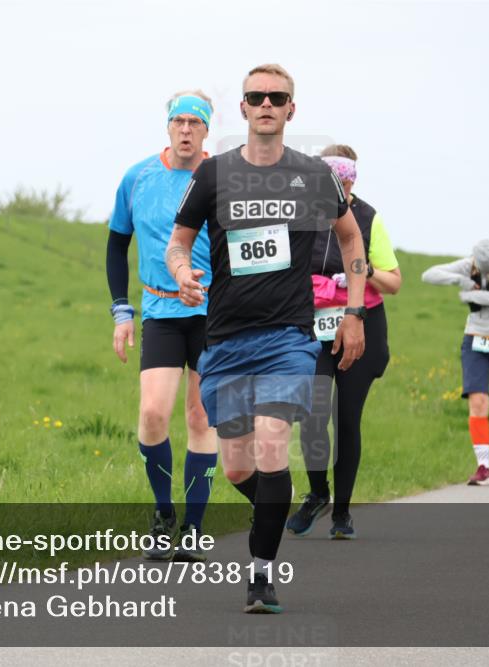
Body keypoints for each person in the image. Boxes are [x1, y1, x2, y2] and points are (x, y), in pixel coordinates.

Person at [166, 64, 367, 613]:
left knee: (274, 443)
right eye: (256, 96)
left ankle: (260, 576)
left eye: (277, 97)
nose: (266, 104)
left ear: (290, 110)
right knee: (237, 465)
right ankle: (274, 508)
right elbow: (178, 244)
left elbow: (350, 238)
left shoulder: (311, 174)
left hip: (287, 338)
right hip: (227, 340)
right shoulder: (214, 175)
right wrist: (183, 273)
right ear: (244, 108)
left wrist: (355, 311)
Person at [106, 90, 218, 562]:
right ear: (168, 126)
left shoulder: (222, 177)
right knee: (153, 414)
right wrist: (121, 311)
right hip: (160, 310)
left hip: (215, 312)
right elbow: (116, 247)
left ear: (207, 130)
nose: (187, 129)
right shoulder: (138, 177)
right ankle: (162, 513)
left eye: (196, 122)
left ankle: (193, 528)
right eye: (180, 122)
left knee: (200, 417)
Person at [286, 144, 402, 540]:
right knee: (313, 415)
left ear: (353, 178)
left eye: (346, 177)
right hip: (314, 330)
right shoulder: (301, 215)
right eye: (332, 176)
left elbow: (394, 281)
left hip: (362, 327)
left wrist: (365, 271)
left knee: (346, 419)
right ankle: (318, 493)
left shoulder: (369, 218)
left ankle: (343, 514)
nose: (340, 183)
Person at [422, 240, 489, 486]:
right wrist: (461, 280)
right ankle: (483, 467)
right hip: (476, 340)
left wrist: (471, 295)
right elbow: (429, 274)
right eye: (483, 270)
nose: (488, 275)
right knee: (478, 402)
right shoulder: (469, 265)